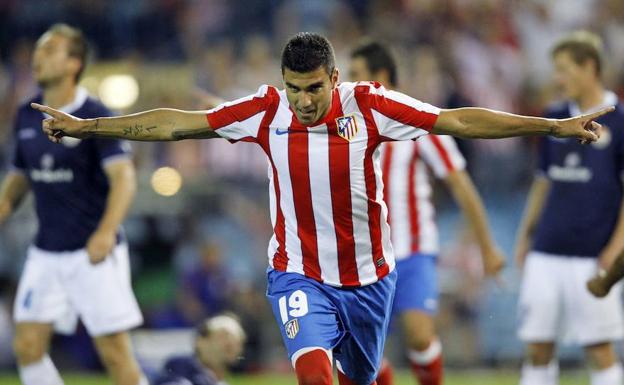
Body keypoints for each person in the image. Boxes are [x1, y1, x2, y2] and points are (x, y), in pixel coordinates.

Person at [32, 32, 609, 385]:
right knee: (312, 373)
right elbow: (178, 125)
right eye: (293, 89)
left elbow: (458, 120)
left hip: (370, 279)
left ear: (334, 78)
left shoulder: (371, 104)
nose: (303, 102)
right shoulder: (265, 110)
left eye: (313, 88)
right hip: (297, 272)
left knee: (361, 377)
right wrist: (91, 127)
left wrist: (551, 125)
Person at [348, 41, 505, 385]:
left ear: (381, 76)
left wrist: (487, 246)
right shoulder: (348, 126)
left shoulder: (418, 121)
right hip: (364, 255)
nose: (348, 82)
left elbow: (460, 185)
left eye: (356, 74)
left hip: (413, 247)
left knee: (419, 334)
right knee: (361, 352)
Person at [0, 24, 146, 385]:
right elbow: (20, 177)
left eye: (50, 50)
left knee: (114, 353)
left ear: (74, 63)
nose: (38, 57)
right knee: (27, 345)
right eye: (37, 50)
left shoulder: (95, 115)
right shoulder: (24, 115)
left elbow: (124, 178)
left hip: (92, 249)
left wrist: (106, 232)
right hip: (46, 250)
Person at [514, 31, 624, 385]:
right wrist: (524, 237)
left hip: (592, 254)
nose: (557, 79)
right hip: (546, 250)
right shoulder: (556, 116)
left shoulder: (621, 122)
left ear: (589, 67)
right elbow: (543, 182)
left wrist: (615, 249)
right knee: (537, 347)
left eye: (563, 69)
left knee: (599, 349)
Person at [153, 314, 246, 385]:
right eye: (224, 335)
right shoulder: (179, 369)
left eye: (238, 340)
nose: (231, 342)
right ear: (200, 341)